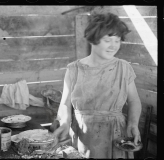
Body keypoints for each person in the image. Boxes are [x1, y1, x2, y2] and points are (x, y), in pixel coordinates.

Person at [51, 12, 142, 159]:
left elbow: (134, 101)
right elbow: (64, 104)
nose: (113, 46)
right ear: (93, 39)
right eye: (108, 40)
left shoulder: (124, 68)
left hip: (116, 136)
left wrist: (133, 123)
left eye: (117, 40)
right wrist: (65, 123)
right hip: (83, 137)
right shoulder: (74, 69)